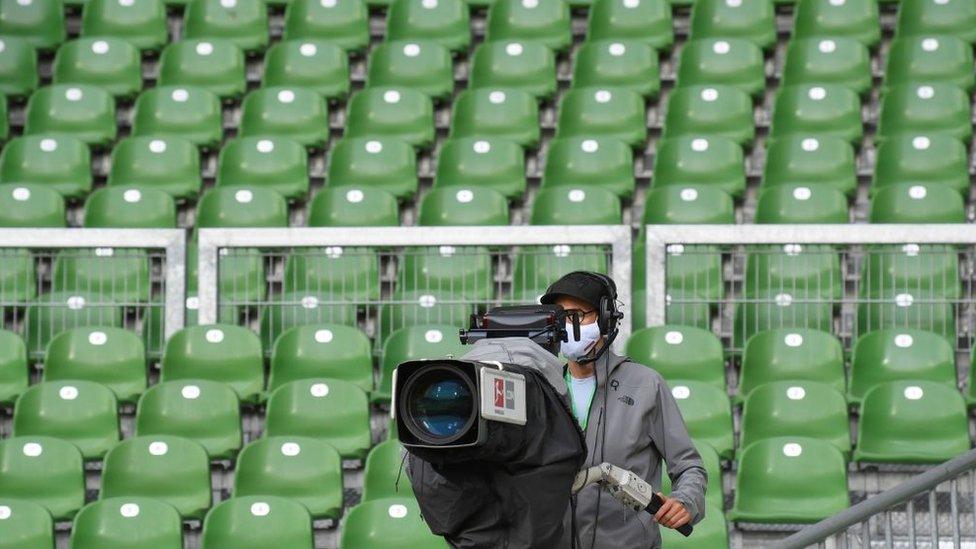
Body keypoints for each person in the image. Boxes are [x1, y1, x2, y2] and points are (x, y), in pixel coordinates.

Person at [539, 271, 707, 549]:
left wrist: (686, 501)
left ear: (605, 319)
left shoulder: (645, 385)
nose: (569, 326)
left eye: (578, 315)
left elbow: (689, 466)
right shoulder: (542, 386)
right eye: (561, 317)